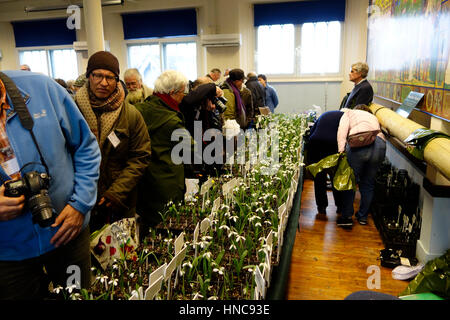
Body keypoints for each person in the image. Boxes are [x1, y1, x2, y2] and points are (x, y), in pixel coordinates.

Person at [0, 70, 101, 299]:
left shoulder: (41, 89)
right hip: (9, 254)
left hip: (69, 232)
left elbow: (86, 148)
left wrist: (80, 205)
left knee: (78, 296)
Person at [74, 51, 151, 232]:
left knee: (120, 255)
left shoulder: (130, 114)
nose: (104, 82)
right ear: (89, 76)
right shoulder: (72, 110)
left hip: (120, 201)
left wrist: (117, 192)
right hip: (81, 200)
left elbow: (140, 157)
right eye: (98, 75)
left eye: (110, 77)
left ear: (117, 80)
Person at [134, 70, 192, 238]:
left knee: (146, 229)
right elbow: (192, 150)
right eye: (183, 92)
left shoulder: (138, 109)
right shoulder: (171, 121)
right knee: (167, 231)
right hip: (167, 184)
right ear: (172, 93)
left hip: (144, 182)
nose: (184, 96)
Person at [336, 105, 386, 228]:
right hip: (379, 144)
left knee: (351, 182)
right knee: (368, 184)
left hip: (359, 144)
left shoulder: (348, 113)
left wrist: (341, 151)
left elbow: (342, 132)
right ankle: (363, 217)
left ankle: (347, 217)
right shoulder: (373, 116)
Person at [306, 110, 345, 218]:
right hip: (332, 144)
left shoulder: (326, 114)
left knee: (319, 177)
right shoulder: (346, 117)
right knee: (335, 176)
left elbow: (312, 130)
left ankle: (321, 207)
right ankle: (340, 206)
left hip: (315, 143)